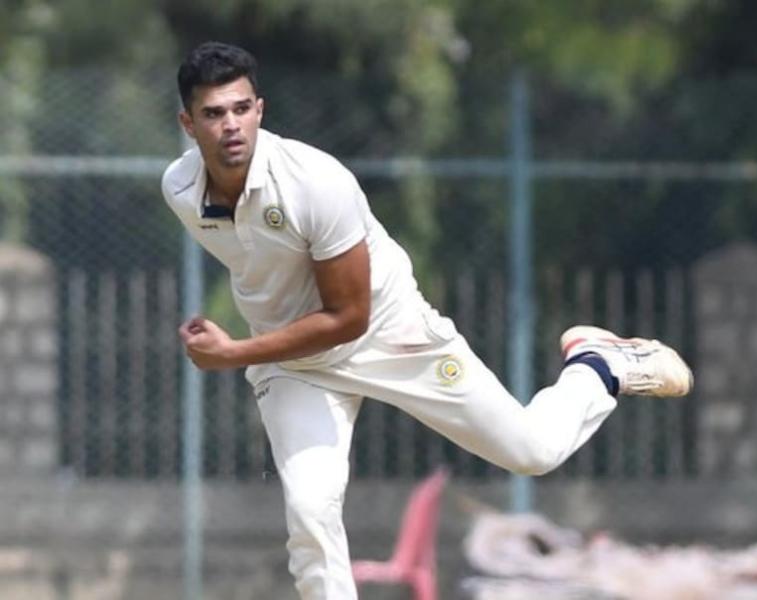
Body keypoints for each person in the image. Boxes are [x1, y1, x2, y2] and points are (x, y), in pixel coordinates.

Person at [162, 41, 693, 600]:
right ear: (188, 123)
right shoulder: (180, 189)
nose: (231, 126)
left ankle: (597, 365)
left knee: (531, 452)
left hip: (388, 333)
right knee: (310, 512)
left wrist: (236, 353)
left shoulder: (317, 183)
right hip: (294, 363)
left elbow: (348, 317)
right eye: (214, 114)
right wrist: (258, 347)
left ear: (260, 109)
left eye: (241, 108)